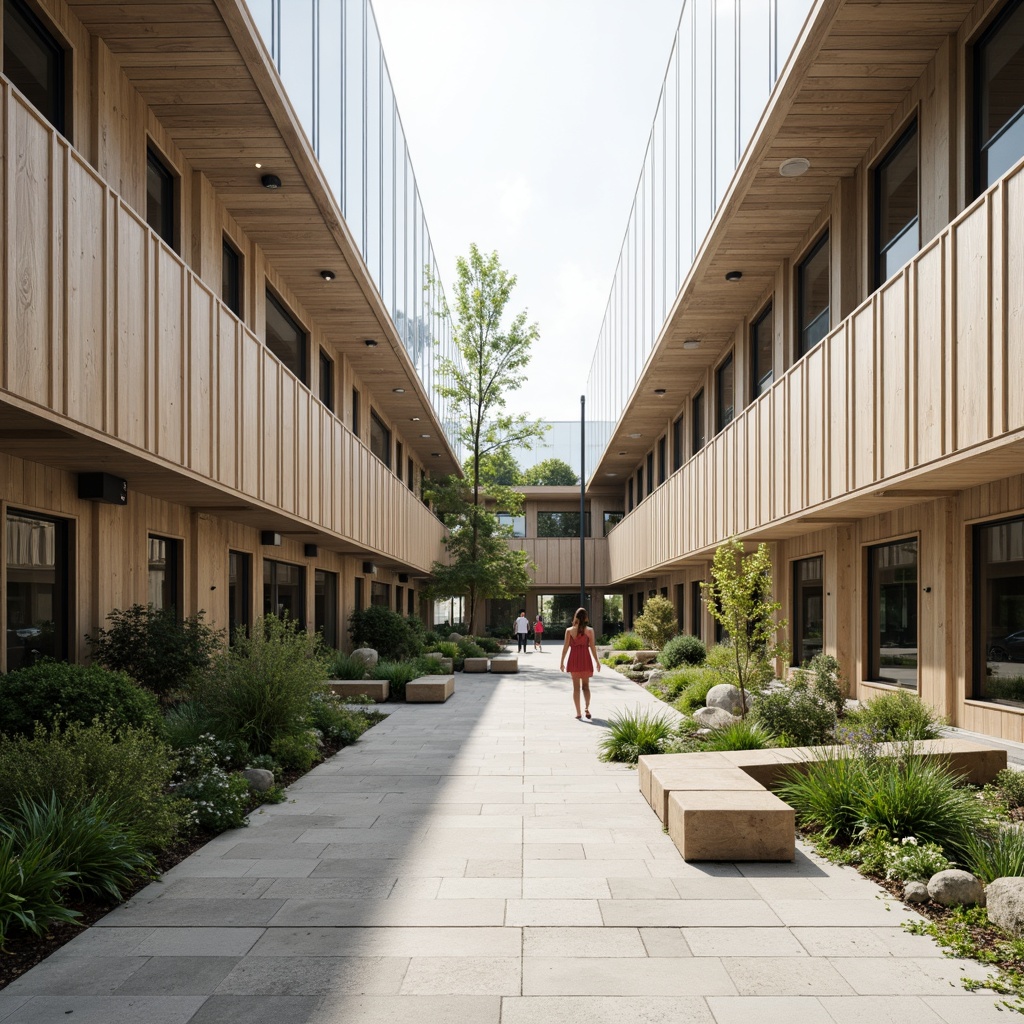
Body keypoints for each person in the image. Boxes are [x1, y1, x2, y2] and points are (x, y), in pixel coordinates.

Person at [560, 606, 600, 720]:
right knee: (586, 687)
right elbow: (592, 647)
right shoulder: (590, 631)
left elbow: (565, 648)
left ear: (575, 617)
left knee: (576, 688)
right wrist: (597, 661)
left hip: (574, 659)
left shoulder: (569, 631)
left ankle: (578, 713)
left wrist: (562, 661)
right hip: (585, 659)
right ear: (586, 617)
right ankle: (587, 708)